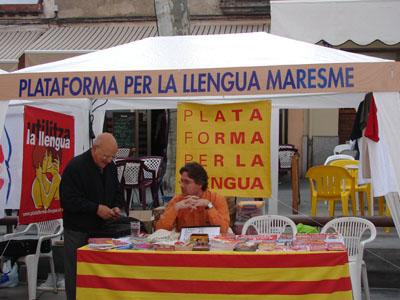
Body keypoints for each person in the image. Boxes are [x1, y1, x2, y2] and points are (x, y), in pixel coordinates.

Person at [60, 132, 123, 300]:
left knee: (100, 273)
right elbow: (68, 200)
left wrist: (116, 207)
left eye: (112, 157)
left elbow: (117, 192)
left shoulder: (111, 167)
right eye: (105, 156)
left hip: (102, 230)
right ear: (94, 149)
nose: (108, 161)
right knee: (76, 273)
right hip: (77, 230)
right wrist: (95, 208)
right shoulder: (75, 166)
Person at [156, 162, 230, 233]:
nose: (182, 185)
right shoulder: (177, 200)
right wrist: (175, 209)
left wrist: (209, 206)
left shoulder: (216, 199)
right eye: (181, 181)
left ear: (200, 184)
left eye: (187, 182)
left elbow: (223, 230)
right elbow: (160, 230)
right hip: (184, 244)